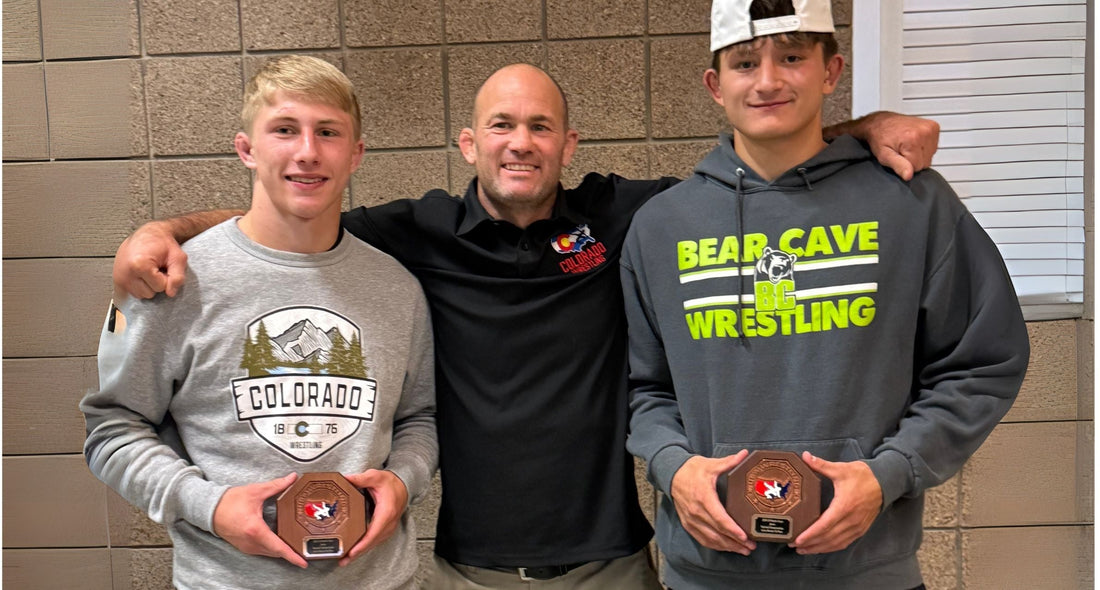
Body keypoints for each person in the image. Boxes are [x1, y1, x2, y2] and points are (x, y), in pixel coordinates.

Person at [110, 61, 940, 588]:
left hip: (613, 555)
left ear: (568, 141)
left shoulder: (624, 216)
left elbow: (751, 164)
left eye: (540, 125)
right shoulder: (414, 235)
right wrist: (166, 232)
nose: (521, 142)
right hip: (468, 562)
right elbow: (291, 214)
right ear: (470, 141)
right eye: (501, 125)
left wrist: (850, 134)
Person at [619, 1, 1030, 588]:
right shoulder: (660, 226)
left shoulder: (912, 206)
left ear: (831, 71)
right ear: (715, 85)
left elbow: (981, 364)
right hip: (708, 574)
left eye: (791, 57)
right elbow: (643, 384)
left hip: (867, 571)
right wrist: (672, 467)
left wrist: (890, 472)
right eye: (744, 63)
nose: (767, 80)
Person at [80, 55, 437, 590]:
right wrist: (210, 505)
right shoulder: (175, 279)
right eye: (285, 129)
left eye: (328, 132)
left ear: (356, 154)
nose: (308, 152)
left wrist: (402, 482)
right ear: (247, 148)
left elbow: (421, 418)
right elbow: (112, 429)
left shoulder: (397, 288)